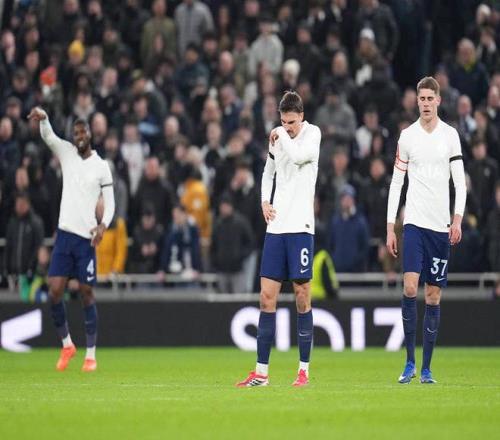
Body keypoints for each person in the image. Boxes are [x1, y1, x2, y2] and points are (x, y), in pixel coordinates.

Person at [236, 91, 321, 387]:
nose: (288, 127)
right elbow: (268, 172)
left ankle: (303, 371)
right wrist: (264, 201)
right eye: (283, 122)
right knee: (266, 298)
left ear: (302, 117)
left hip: (301, 227)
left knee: (302, 296)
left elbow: (297, 156)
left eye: (292, 122)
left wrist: (280, 134)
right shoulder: (279, 137)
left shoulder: (313, 135)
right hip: (276, 228)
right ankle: (261, 373)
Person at [386, 77, 466, 384]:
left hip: (440, 226)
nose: (426, 103)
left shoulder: (450, 136)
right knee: (410, 288)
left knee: (433, 296)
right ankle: (409, 362)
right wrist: (390, 226)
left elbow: (459, 183)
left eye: (430, 98)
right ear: (417, 101)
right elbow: (396, 183)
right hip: (415, 224)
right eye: (422, 99)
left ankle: (427, 368)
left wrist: (457, 220)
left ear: (438, 101)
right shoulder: (407, 137)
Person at [27, 107, 115, 373]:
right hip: (64, 235)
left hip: (86, 239)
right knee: (54, 290)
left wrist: (103, 225)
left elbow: (110, 203)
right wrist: (45, 119)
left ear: (90, 134)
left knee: (86, 292)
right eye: (75, 133)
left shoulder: (101, 167)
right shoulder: (67, 153)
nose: (79, 136)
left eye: (82, 132)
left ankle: (91, 354)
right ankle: (67, 345)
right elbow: (49, 137)